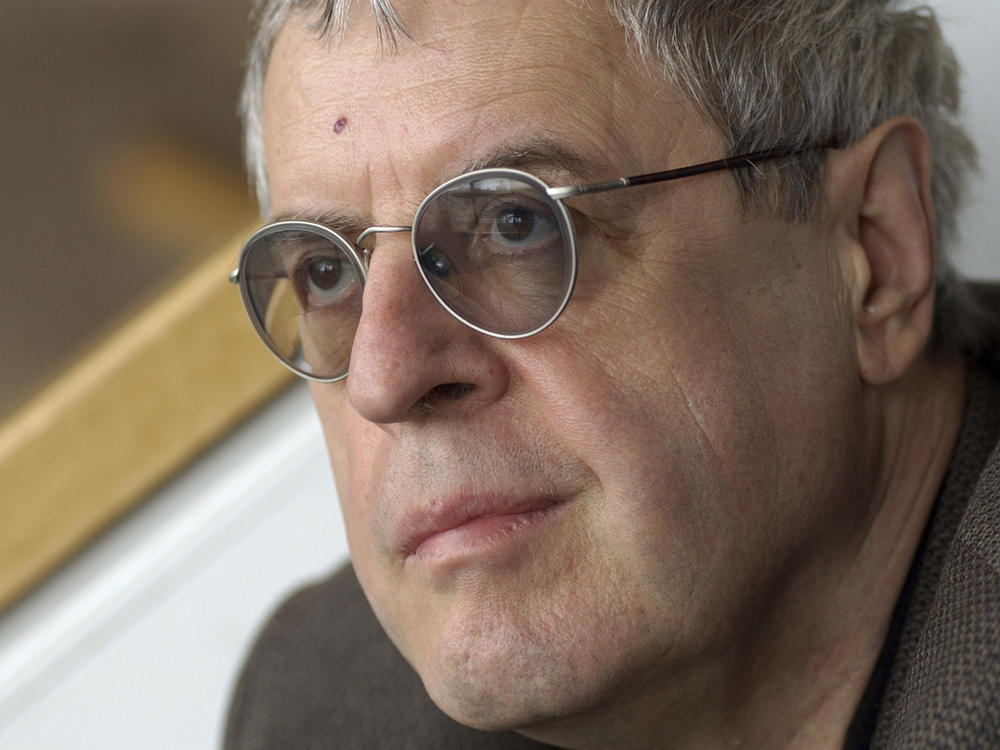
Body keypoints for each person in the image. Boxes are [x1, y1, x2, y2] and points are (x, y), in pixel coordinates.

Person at [224, 0, 1000, 747]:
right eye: (324, 274)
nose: (383, 378)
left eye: (516, 223)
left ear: (875, 251)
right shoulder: (319, 708)